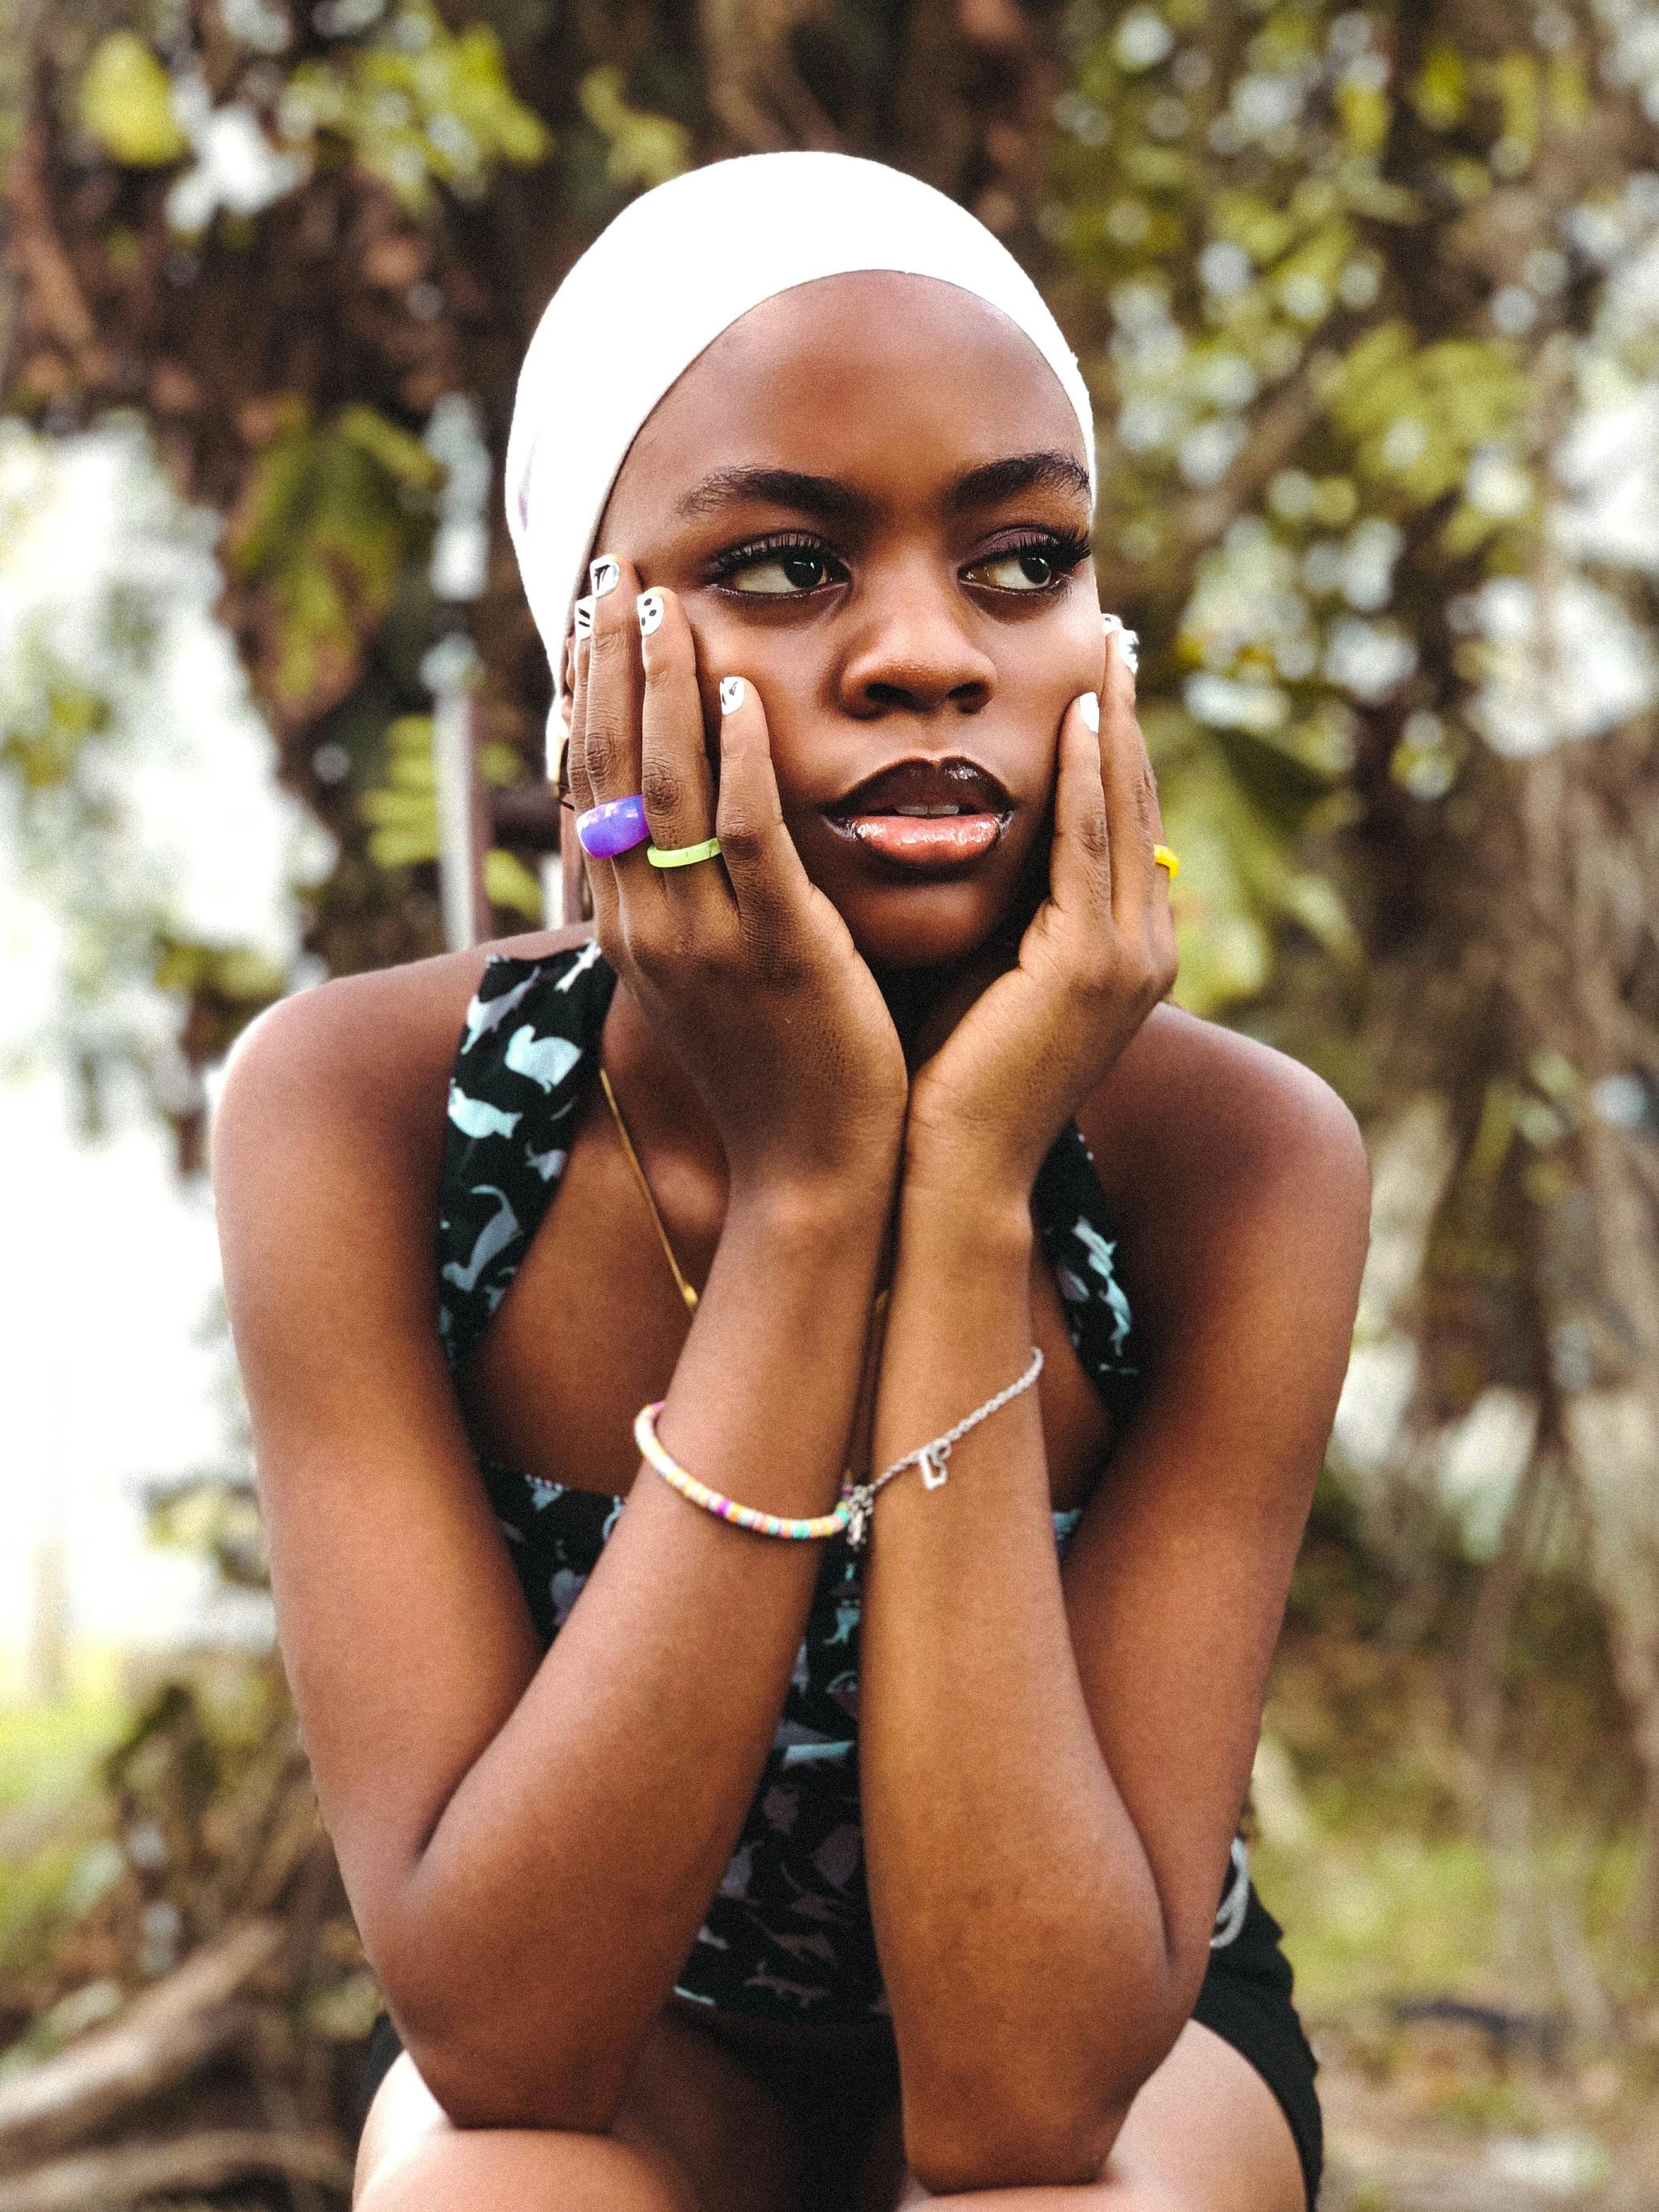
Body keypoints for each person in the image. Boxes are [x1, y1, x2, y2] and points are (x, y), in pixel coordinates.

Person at [212, 153, 1370, 2212]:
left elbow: (1025, 2105)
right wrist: (817, 1182)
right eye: (782, 566)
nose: (930, 653)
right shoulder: (366, 1117)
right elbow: (503, 2041)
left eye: (1019, 562)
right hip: (621, 2045)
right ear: (589, 659)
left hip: (1117, 2045)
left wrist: (970, 1186)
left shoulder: (1230, 1164)